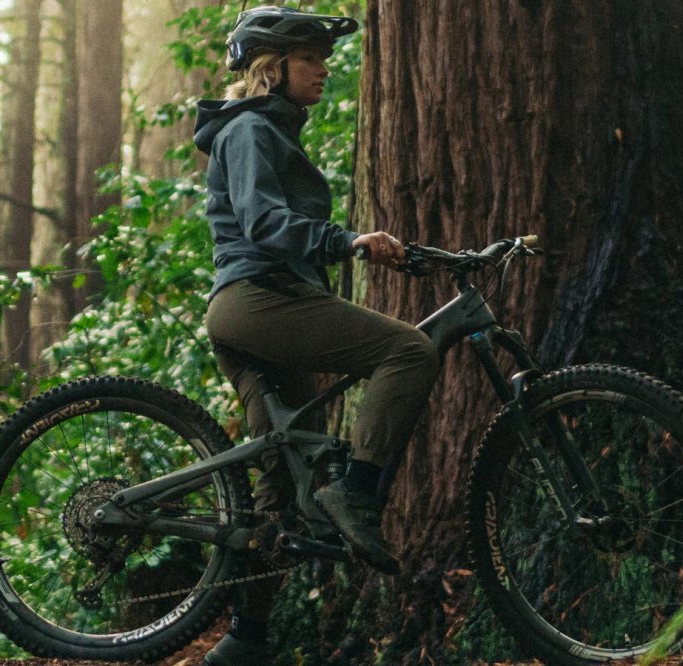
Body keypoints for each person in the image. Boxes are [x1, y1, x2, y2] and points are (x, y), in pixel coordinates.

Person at [192, 6, 437, 664]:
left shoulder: (266, 130)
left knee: (278, 483)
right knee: (409, 349)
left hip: (252, 308)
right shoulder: (248, 129)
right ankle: (354, 493)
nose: (323, 69)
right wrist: (347, 240)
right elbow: (263, 221)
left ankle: (246, 638)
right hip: (260, 300)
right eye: (309, 59)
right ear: (271, 68)